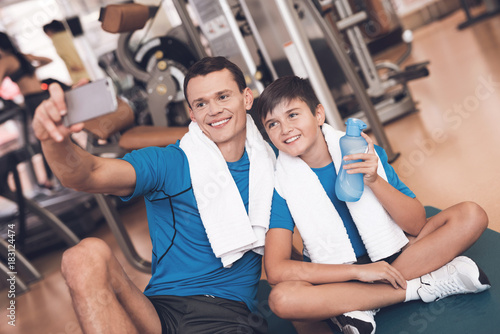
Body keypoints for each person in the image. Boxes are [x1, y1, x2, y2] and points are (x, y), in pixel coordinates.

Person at [32, 56, 276, 333]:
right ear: (192, 114)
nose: (214, 110)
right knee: (82, 256)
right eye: (201, 103)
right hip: (159, 311)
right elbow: (87, 174)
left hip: (226, 314)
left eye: (223, 96)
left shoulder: (272, 165)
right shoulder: (170, 163)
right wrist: (52, 138)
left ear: (246, 98)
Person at [255, 76, 491, 334]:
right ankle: (420, 286)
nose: (285, 128)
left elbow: (415, 224)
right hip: (340, 275)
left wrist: (374, 180)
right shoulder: (281, 184)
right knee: (282, 298)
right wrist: (360, 273)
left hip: (397, 255)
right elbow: (276, 271)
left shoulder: (362, 151)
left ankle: (357, 303)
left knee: (471, 215)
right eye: (272, 124)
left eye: (292, 115)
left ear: (318, 114)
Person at [0, 32, 53, 116]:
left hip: (32, 99)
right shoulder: (22, 56)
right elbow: (48, 60)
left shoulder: (5, 61)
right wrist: (32, 68)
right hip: (44, 94)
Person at [43, 20, 90, 85]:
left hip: (79, 75)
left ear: (49, 31)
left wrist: (76, 67)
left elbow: (67, 55)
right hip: (87, 71)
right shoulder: (67, 34)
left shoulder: (57, 39)